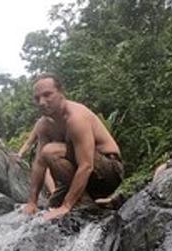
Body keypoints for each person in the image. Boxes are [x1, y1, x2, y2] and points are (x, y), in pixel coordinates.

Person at [22, 74, 124, 220]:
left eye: (47, 95)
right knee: (51, 207)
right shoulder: (43, 125)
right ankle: (98, 204)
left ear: (61, 92)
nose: (42, 102)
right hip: (80, 175)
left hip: (109, 172)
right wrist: (32, 202)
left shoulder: (76, 118)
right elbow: (39, 163)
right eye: (37, 98)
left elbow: (86, 165)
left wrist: (67, 206)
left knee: (50, 151)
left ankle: (85, 204)